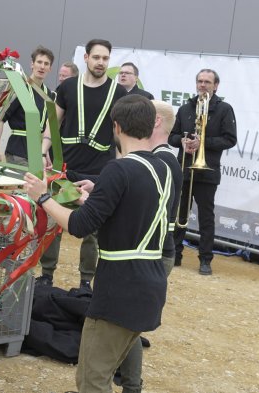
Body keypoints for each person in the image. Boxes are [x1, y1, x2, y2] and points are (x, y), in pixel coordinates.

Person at [24, 94, 171, 393]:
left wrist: (43, 197)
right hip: (149, 285)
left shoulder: (118, 170)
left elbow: (79, 226)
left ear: (116, 127)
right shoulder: (163, 167)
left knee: (92, 380)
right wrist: (91, 199)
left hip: (119, 290)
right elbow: (131, 212)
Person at [39, 39, 127, 290]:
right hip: (64, 168)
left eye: (105, 59)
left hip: (99, 172)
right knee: (53, 223)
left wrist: (120, 168)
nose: (101, 62)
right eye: (97, 57)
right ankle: (46, 274)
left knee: (93, 231)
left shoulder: (118, 93)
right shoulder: (67, 87)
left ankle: (86, 280)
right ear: (86, 58)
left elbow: (120, 136)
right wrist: (44, 150)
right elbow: (52, 125)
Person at [116, 100, 183, 393]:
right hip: (155, 252)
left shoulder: (163, 161)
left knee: (128, 326)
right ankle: (130, 382)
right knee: (128, 326)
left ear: (155, 122)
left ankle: (131, 384)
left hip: (154, 253)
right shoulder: (162, 158)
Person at [168, 68, 237, 275]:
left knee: (206, 218)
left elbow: (230, 139)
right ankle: (175, 254)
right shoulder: (185, 108)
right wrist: (181, 141)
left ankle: (205, 259)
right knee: (178, 213)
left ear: (216, 86)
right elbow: (172, 136)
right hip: (184, 168)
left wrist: (202, 142)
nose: (202, 85)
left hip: (207, 172)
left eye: (207, 82)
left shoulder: (224, 109)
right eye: (200, 81)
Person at [0, 46, 55, 166]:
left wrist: (45, 154)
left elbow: (45, 130)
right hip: (17, 153)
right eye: (39, 62)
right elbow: (0, 119)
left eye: (46, 64)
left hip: (37, 156)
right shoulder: (20, 88)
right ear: (32, 64)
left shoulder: (49, 95)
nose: (42, 66)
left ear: (50, 68)